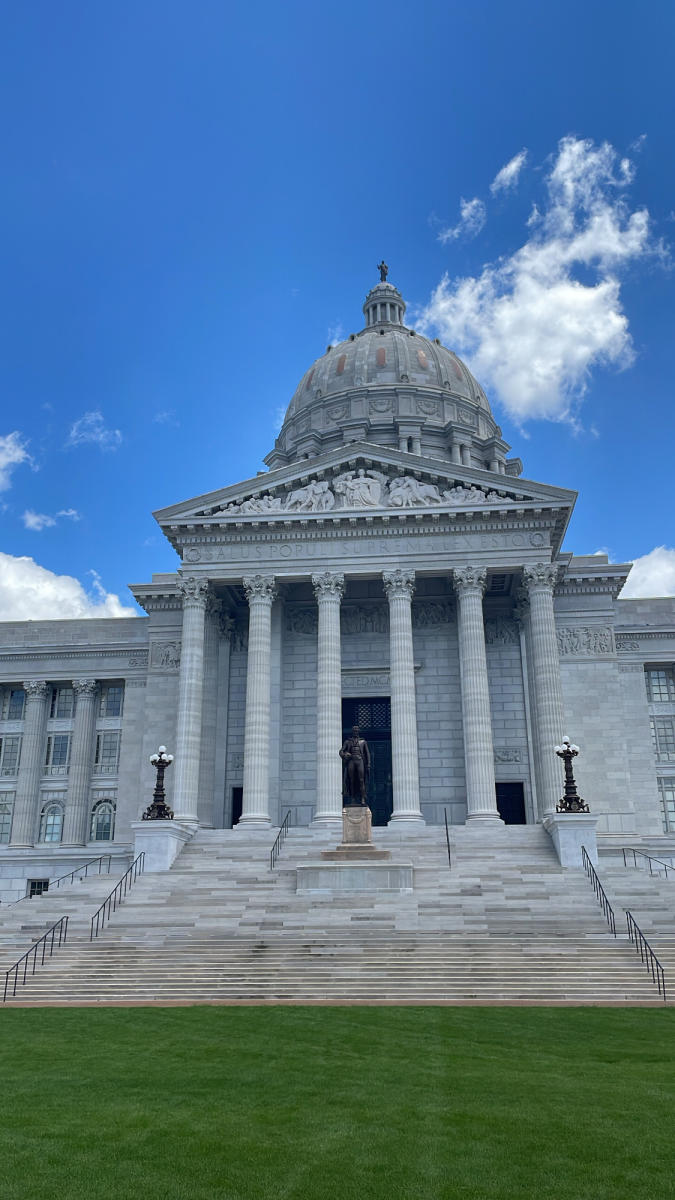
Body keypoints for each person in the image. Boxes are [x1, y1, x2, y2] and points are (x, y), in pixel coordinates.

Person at [339, 726, 370, 805]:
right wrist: (345, 754)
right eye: (354, 731)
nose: (355, 732)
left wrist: (368, 764)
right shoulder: (347, 742)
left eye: (357, 730)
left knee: (361, 780)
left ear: (358, 731)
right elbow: (341, 751)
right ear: (352, 732)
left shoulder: (363, 741)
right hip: (351, 761)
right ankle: (352, 799)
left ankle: (363, 798)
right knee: (351, 780)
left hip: (360, 761)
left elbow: (367, 754)